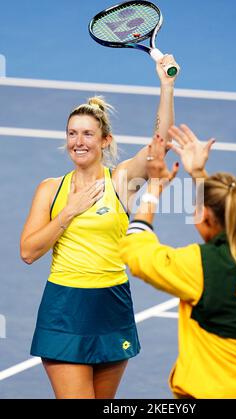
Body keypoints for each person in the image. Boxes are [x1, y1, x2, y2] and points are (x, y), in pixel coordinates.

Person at [20, 55, 179, 399]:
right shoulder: (50, 189)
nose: (79, 141)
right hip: (64, 307)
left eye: (88, 134)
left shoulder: (121, 181)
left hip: (111, 304)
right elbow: (29, 252)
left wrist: (166, 86)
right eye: (72, 133)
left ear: (105, 140)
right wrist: (67, 214)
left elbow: (159, 145)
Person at [119, 125, 236, 399]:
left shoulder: (199, 267)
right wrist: (200, 175)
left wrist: (154, 189)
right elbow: (229, 225)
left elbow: (136, 250)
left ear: (203, 218)